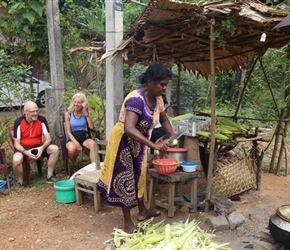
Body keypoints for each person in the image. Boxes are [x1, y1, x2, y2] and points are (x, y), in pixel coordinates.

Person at [97, 63, 175, 233]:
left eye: (166, 84)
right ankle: (127, 222)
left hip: (140, 143)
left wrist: (171, 134)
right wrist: (155, 144)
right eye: (162, 84)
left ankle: (142, 211)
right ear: (150, 82)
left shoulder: (158, 99)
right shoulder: (135, 99)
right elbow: (129, 129)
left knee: (139, 176)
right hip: (123, 142)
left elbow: (163, 119)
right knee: (126, 179)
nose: (164, 88)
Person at [12, 101, 59, 188]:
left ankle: (50, 175)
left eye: (37, 111)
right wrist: (26, 152)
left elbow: (48, 138)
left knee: (55, 149)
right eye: (32, 111)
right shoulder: (18, 122)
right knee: (16, 160)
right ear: (25, 112)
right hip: (24, 148)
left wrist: (42, 148)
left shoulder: (42, 120)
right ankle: (20, 181)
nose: (35, 113)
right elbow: (16, 144)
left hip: (38, 146)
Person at [65, 92, 95, 169]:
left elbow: (91, 127)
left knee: (93, 144)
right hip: (72, 137)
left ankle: (94, 167)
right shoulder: (68, 114)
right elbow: (68, 132)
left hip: (83, 136)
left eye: (79, 102)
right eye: (75, 102)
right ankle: (75, 164)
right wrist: (77, 144)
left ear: (83, 103)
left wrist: (86, 112)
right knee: (72, 149)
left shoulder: (84, 114)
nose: (76, 104)